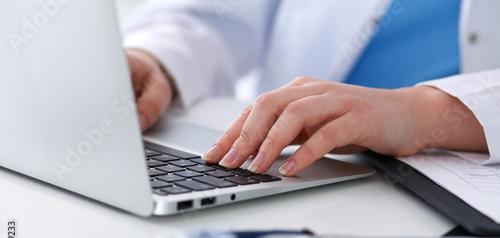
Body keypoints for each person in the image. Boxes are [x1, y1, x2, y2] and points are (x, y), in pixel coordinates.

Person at [122, 0, 500, 177]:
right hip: (292, 168)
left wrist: (424, 112)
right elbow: (220, 13)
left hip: (458, 178)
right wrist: (157, 60)